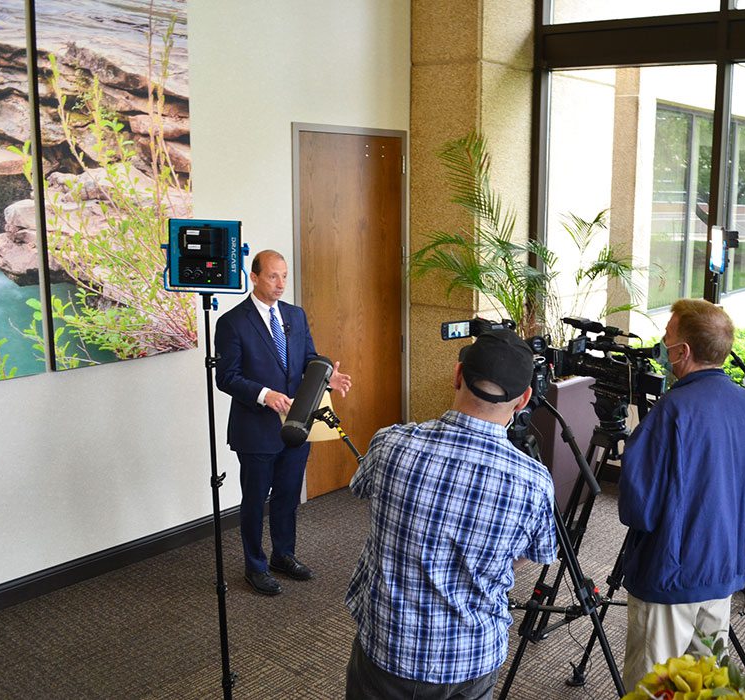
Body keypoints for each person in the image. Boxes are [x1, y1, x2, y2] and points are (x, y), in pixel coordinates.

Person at [344, 330, 558, 699]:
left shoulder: (390, 444)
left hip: (386, 647)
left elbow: (361, 489)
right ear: (524, 399)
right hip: (471, 658)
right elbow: (534, 554)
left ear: (457, 375)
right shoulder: (534, 482)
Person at [619, 298, 745, 689]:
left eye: (667, 337)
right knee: (706, 686)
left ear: (683, 351)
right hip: (722, 573)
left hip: (669, 576)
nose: (663, 344)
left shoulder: (672, 410)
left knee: (652, 688)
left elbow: (639, 507)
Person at [214, 249, 352, 596]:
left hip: (296, 425)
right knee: (255, 499)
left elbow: (308, 360)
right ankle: (255, 566)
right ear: (254, 277)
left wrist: (326, 377)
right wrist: (264, 394)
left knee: (288, 497)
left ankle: (283, 555)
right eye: (273, 276)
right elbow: (226, 377)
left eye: (284, 276)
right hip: (256, 429)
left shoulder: (294, 314)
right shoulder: (232, 323)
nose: (280, 284)